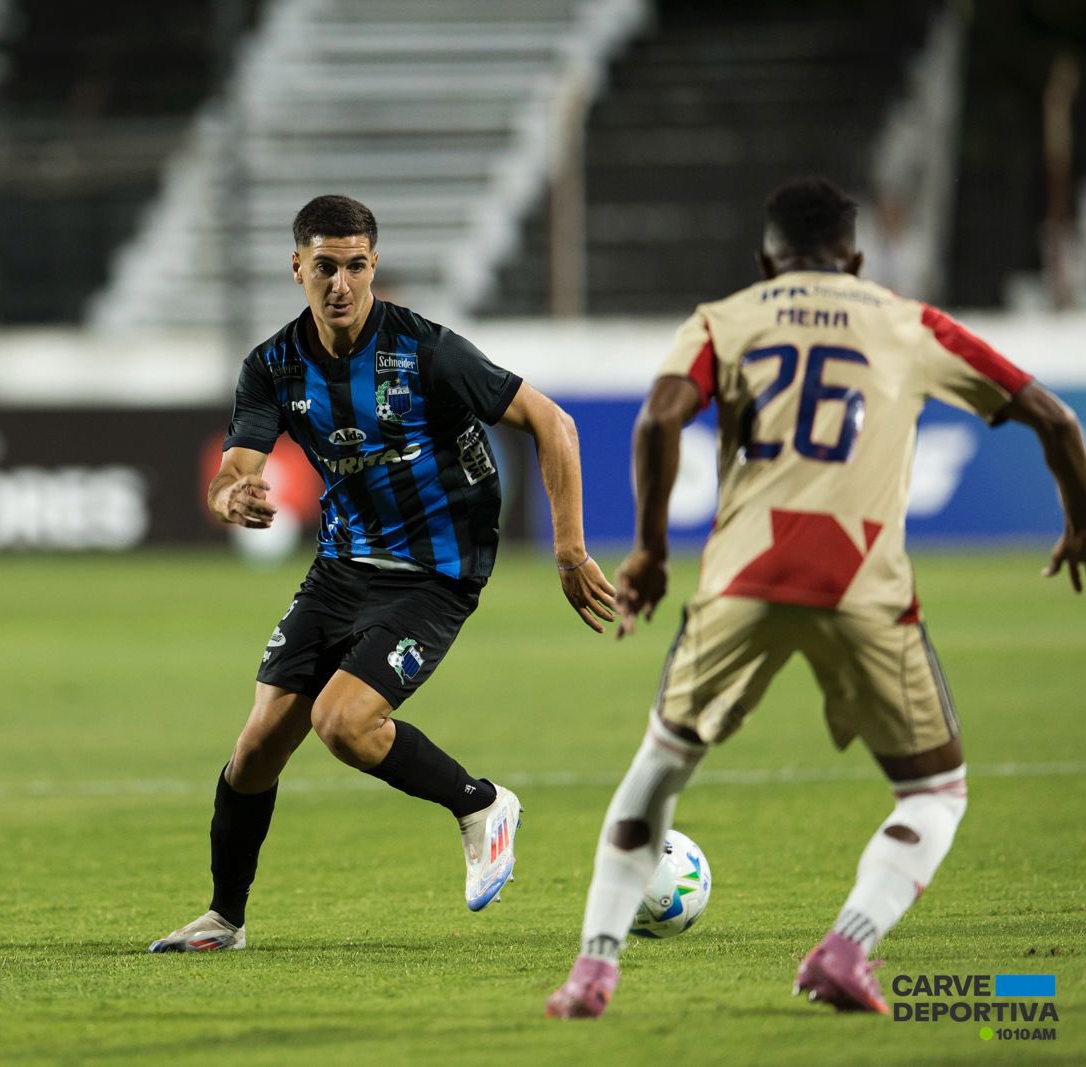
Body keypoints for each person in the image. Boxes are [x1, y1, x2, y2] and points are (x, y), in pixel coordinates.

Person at [546, 177, 1086, 1018]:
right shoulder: (909, 322)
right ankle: (845, 948)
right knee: (935, 792)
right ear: (858, 257)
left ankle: (593, 968)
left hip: (743, 577)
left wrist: (650, 551)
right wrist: (1080, 526)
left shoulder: (725, 319)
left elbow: (657, 420)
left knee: (658, 769)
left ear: (767, 260)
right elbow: (1056, 419)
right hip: (864, 584)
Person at [149, 195, 617, 952]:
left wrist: (569, 549)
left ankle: (482, 803)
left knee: (343, 721)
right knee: (258, 746)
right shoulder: (272, 366)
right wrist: (232, 493)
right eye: (325, 266)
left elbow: (552, 423)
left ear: (374, 266)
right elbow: (235, 468)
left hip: (437, 570)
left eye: (357, 266)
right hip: (340, 567)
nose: (341, 283)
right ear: (296, 266)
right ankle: (225, 918)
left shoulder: (426, 351)